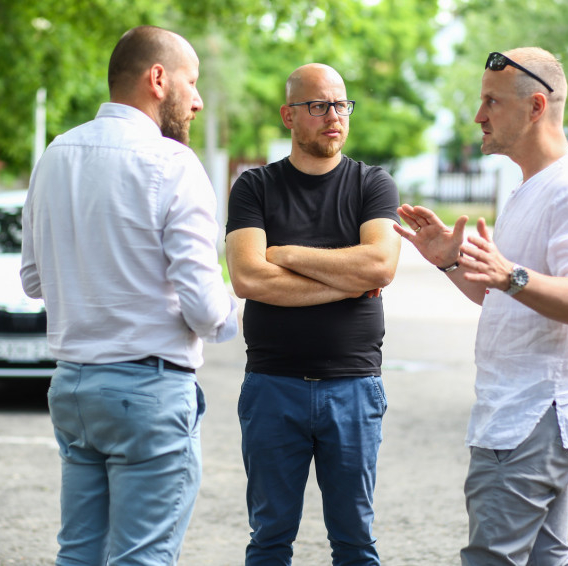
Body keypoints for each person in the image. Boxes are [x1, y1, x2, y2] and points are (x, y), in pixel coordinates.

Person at [20, 25, 239, 566]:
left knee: (79, 554)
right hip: (148, 391)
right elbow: (205, 308)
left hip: (74, 388)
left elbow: (33, 280)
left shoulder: (55, 154)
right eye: (192, 82)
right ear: (158, 79)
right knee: (143, 557)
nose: (198, 100)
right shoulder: (174, 164)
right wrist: (234, 312)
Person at [395, 48, 568, 566]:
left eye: (491, 102)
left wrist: (510, 274)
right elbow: (502, 296)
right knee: (545, 557)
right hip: (524, 411)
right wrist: (451, 262)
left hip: (533, 414)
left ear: (536, 106)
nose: (479, 115)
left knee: (492, 558)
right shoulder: (531, 187)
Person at [225, 63, 401, 565]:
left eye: (341, 105)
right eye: (318, 105)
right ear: (289, 115)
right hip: (272, 386)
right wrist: (348, 282)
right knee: (269, 538)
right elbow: (248, 279)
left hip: (354, 385)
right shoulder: (254, 186)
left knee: (355, 541)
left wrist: (285, 254)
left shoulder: (373, 184)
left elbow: (380, 265)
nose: (334, 116)